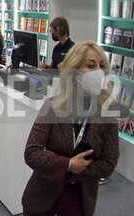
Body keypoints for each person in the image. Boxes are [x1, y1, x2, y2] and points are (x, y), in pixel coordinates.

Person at [21, 41, 119, 216]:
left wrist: (66, 168)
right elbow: (32, 153)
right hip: (42, 198)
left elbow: (109, 164)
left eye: (102, 66)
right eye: (91, 65)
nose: (99, 71)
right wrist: (69, 165)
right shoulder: (52, 106)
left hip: (79, 201)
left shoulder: (107, 114)